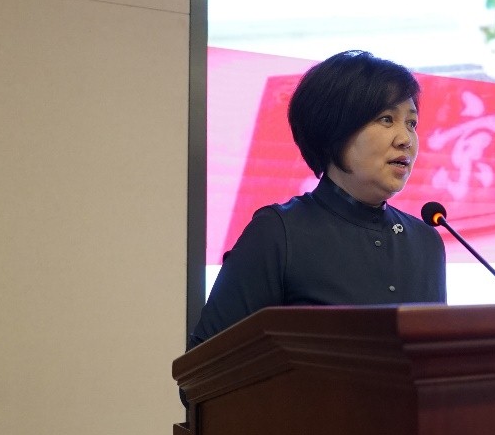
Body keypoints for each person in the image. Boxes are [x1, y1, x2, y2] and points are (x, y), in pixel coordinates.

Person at [188, 49, 448, 348]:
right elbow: (204, 367)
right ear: (334, 129)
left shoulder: (426, 242)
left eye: (411, 123)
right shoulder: (278, 233)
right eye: (386, 119)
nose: (405, 139)